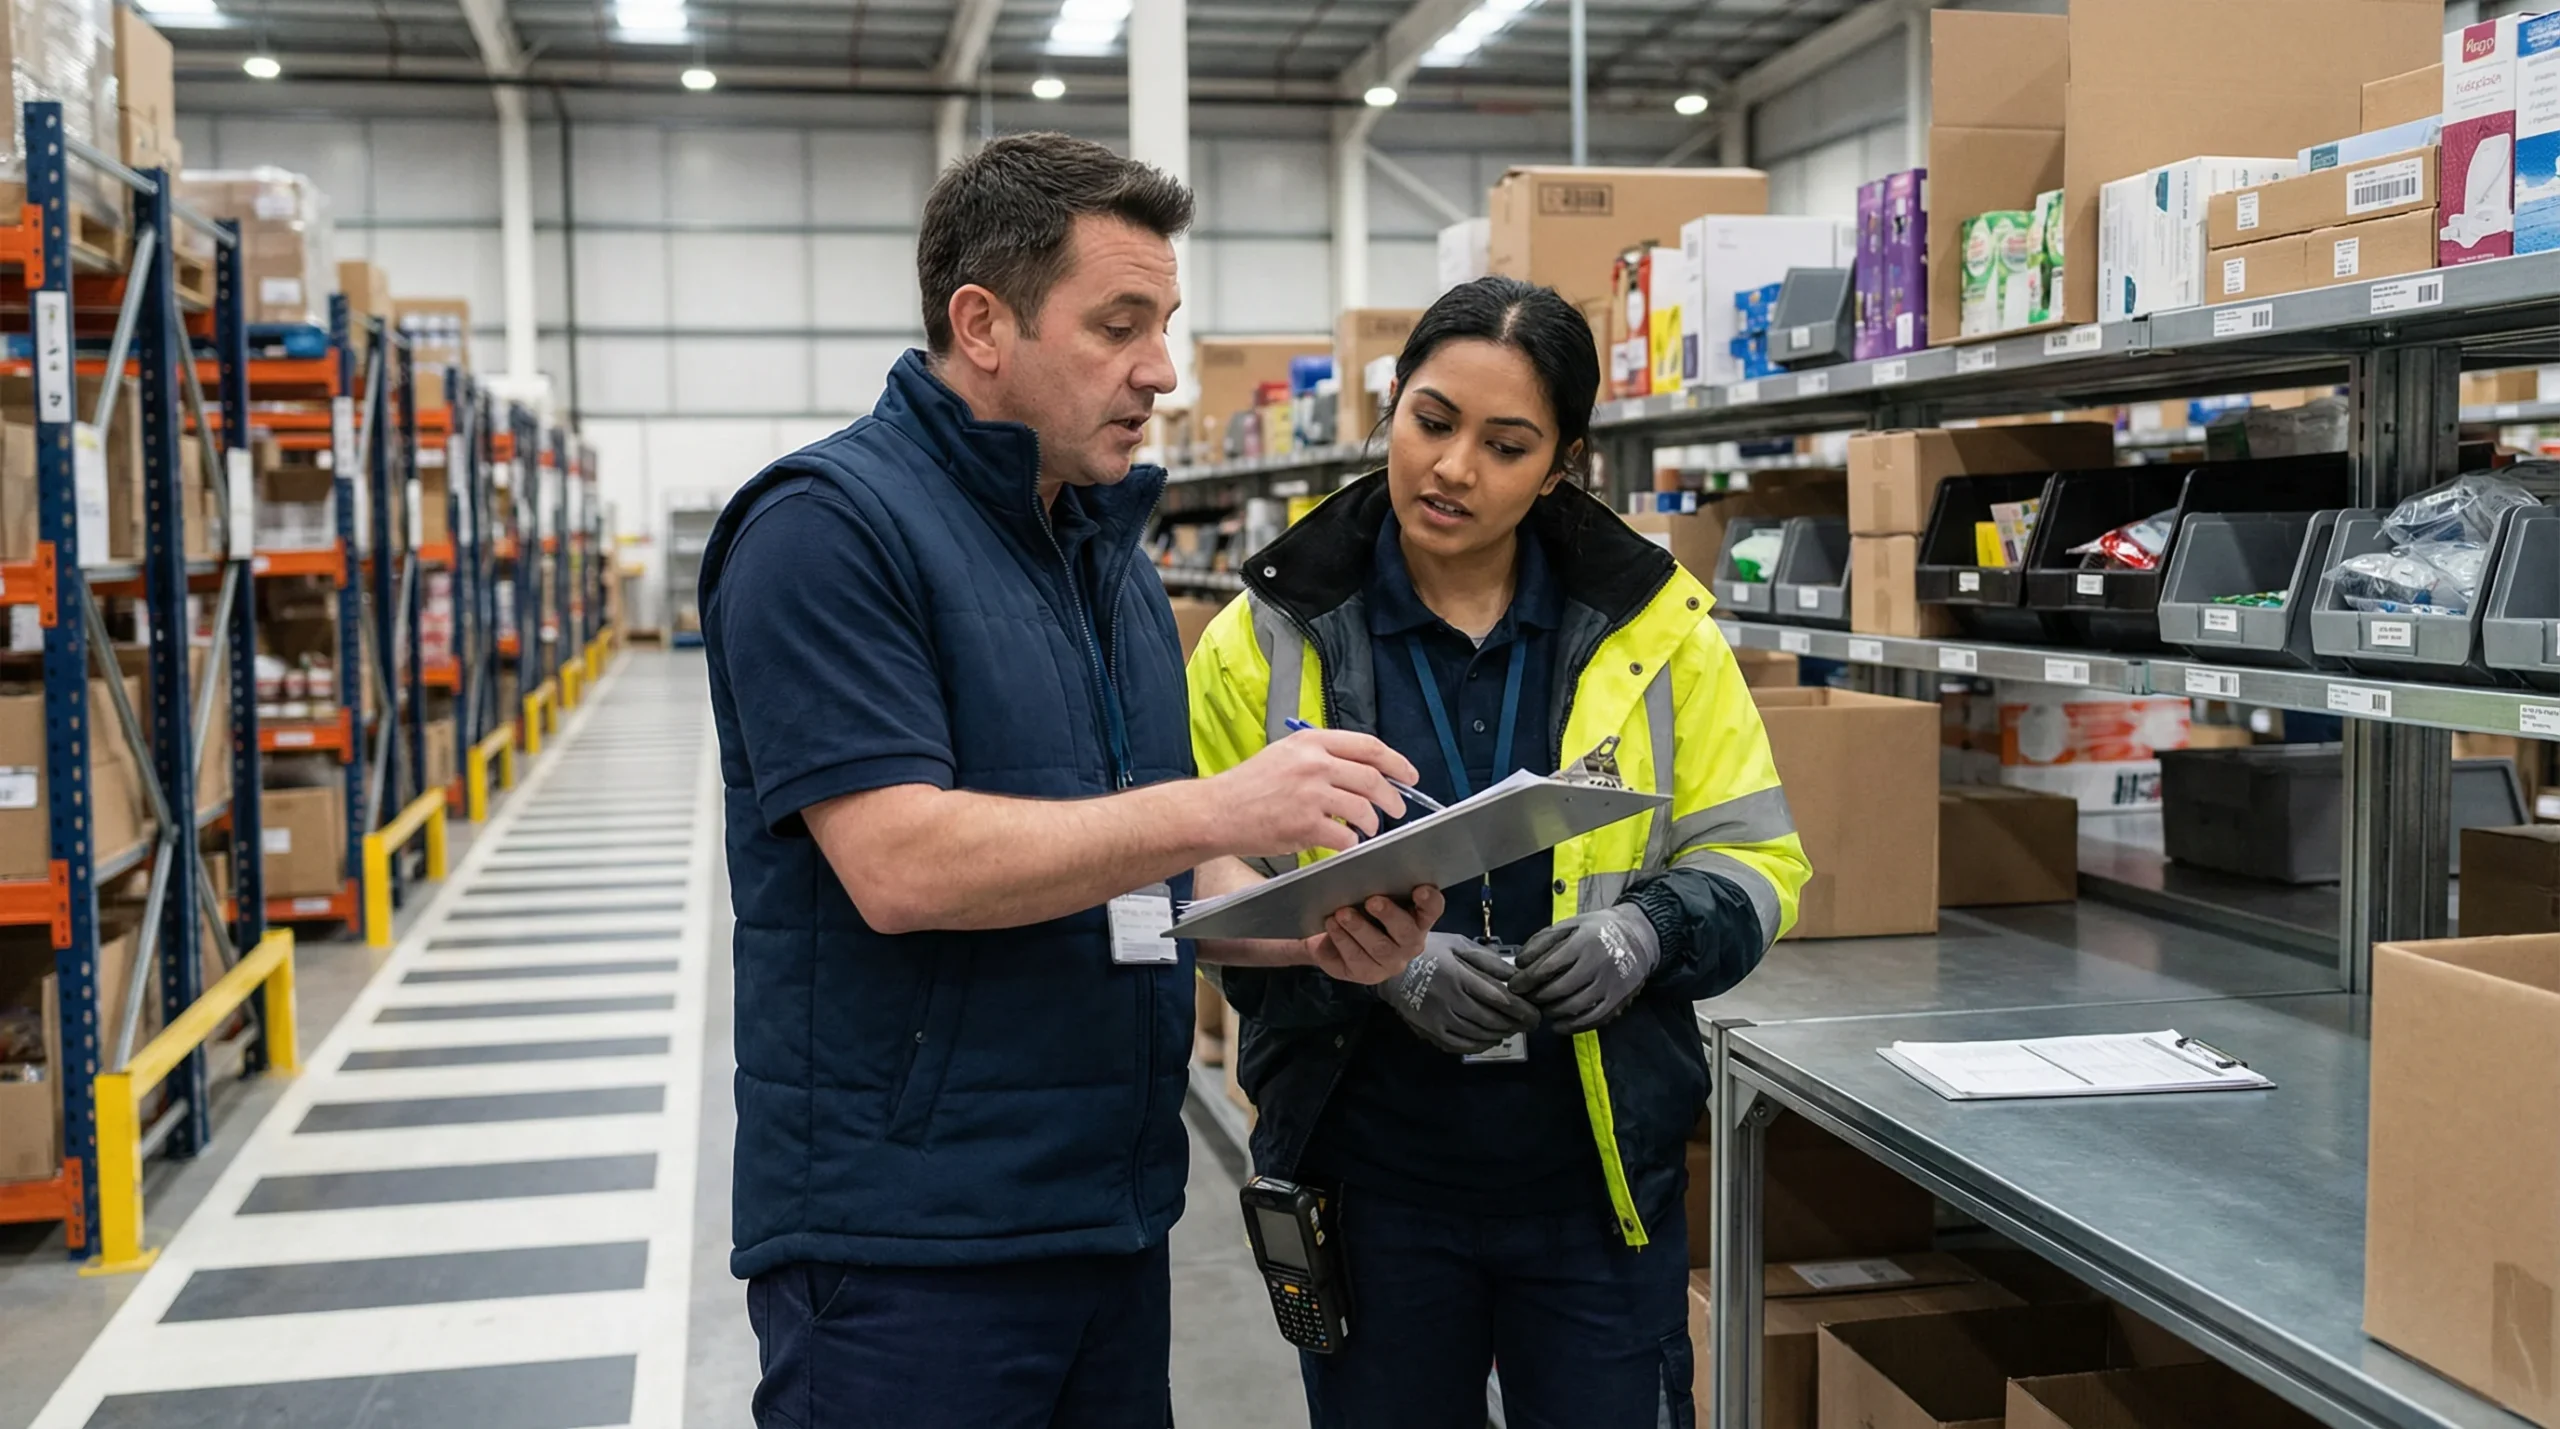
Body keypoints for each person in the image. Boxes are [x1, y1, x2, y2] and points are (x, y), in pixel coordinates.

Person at [698, 132, 1446, 1428]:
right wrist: (1227, 800)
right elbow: (899, 863)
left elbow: (1162, 863)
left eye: (1164, 322)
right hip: (907, 1250)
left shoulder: (1102, 555)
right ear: (981, 323)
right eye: (1119, 324)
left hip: (1107, 1210)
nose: (1160, 368)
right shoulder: (827, 530)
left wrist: (1314, 929)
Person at [1187, 276, 1813, 1428]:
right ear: (1391, 403)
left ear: (1562, 461)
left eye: (1506, 443)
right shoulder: (1266, 638)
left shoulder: (1657, 636)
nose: (1452, 468)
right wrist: (1369, 964)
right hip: (1366, 1183)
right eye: (1430, 421)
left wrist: (1646, 931)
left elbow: (1756, 862)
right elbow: (1208, 897)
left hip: (1594, 1187)